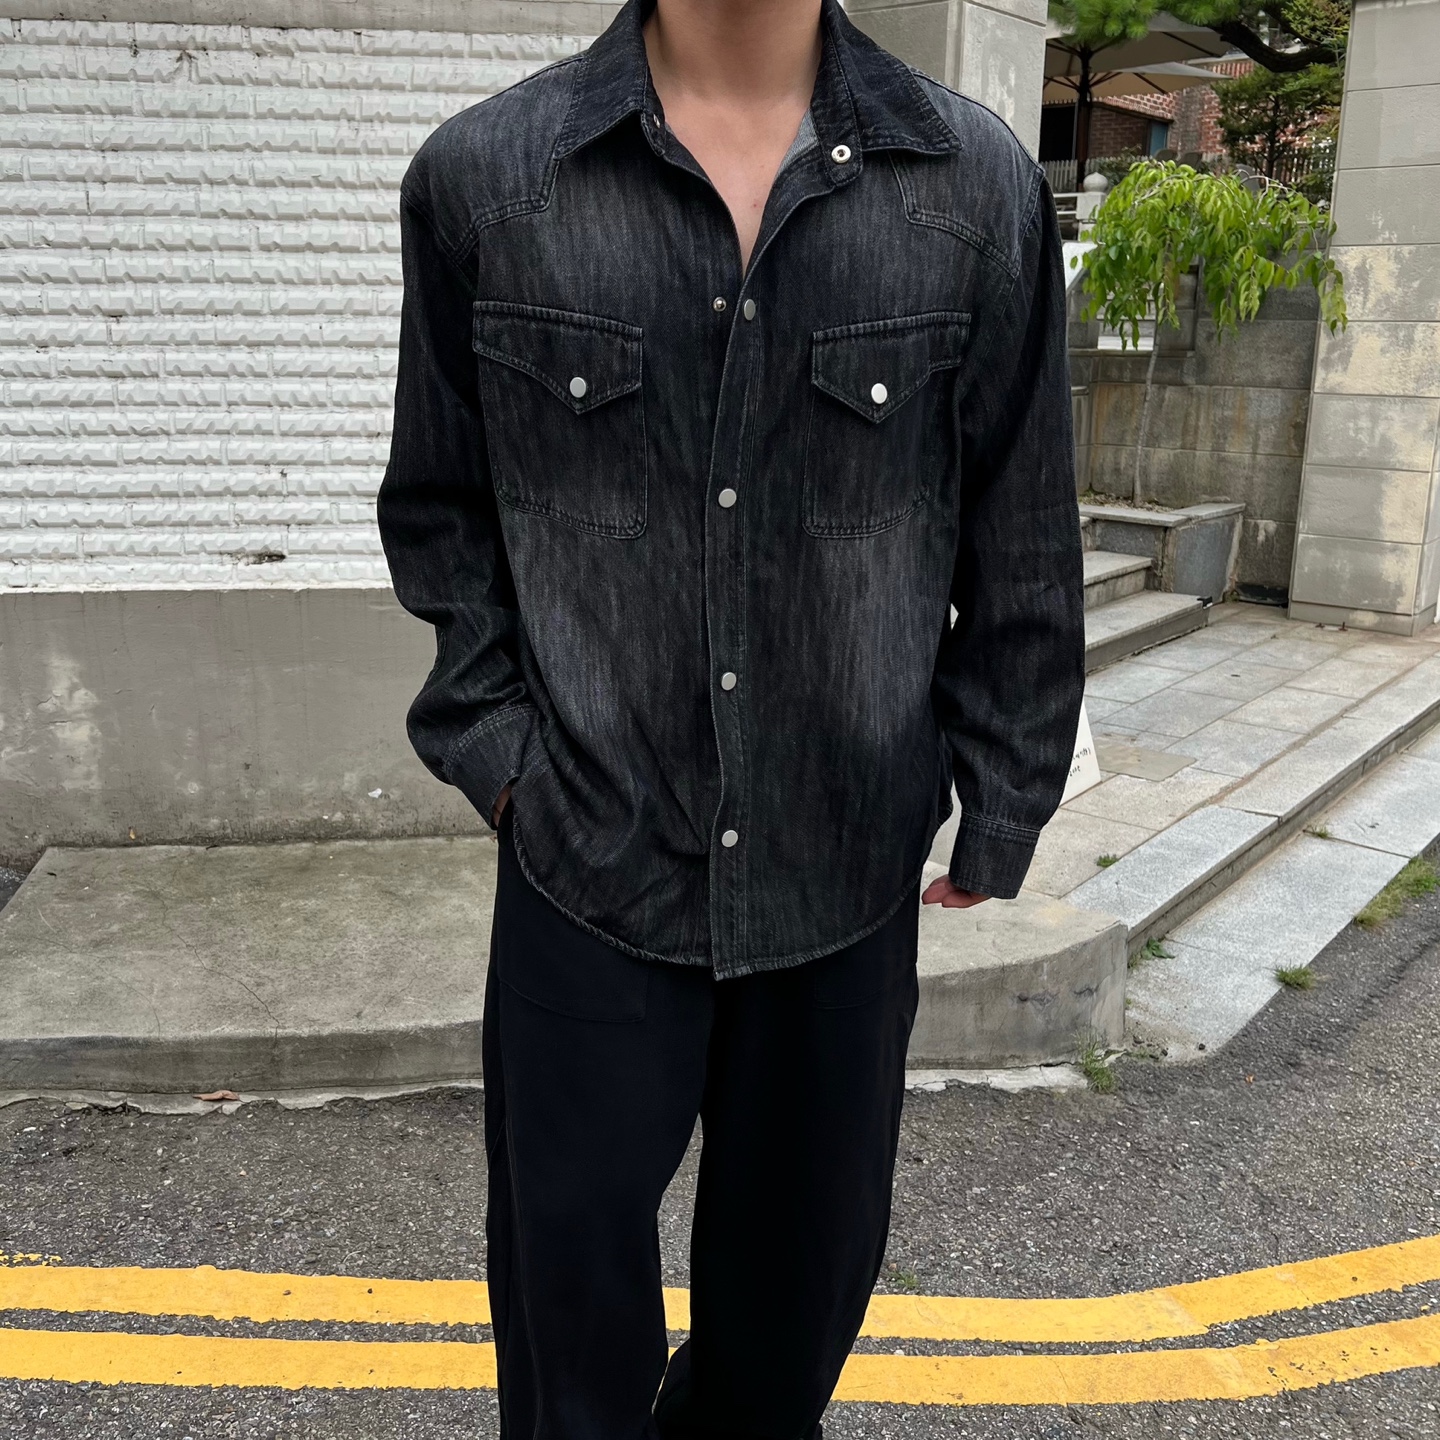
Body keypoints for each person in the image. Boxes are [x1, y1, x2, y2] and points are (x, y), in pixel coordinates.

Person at [377, 0, 1084, 1431]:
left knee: (789, 1337)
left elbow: (1019, 515)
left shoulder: (973, 190)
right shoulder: (488, 180)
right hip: (586, 861)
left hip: (845, 866)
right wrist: (505, 761)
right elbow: (442, 512)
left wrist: (1005, 781)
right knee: (565, 1350)